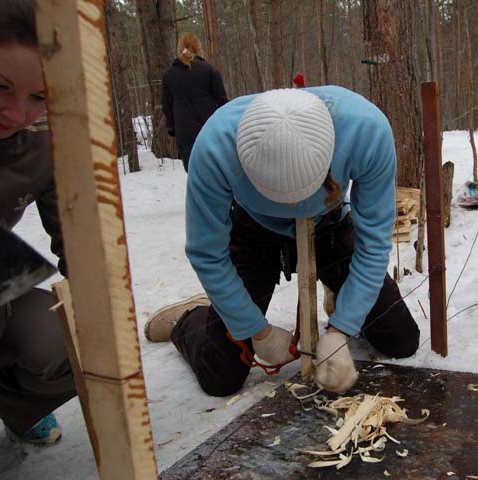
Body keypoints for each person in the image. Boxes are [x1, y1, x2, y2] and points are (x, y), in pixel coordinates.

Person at [145, 86, 420, 396]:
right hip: (253, 231)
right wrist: (255, 330)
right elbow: (206, 252)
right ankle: (189, 318)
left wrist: (341, 328)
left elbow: (373, 245)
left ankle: (340, 294)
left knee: (400, 341)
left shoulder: (366, 131)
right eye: (277, 194)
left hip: (328, 223)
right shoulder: (215, 147)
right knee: (220, 375)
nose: (292, 206)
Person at [0, 0, 75, 444]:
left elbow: (74, 233)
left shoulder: (41, 143)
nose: (16, 113)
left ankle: (16, 407)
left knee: (68, 342)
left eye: (38, 97)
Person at [162, 32, 228, 172]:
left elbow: (167, 107)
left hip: (185, 133)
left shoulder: (169, 75)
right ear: (198, 47)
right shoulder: (210, 70)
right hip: (210, 129)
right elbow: (223, 102)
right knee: (216, 174)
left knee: (194, 174)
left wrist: (172, 128)